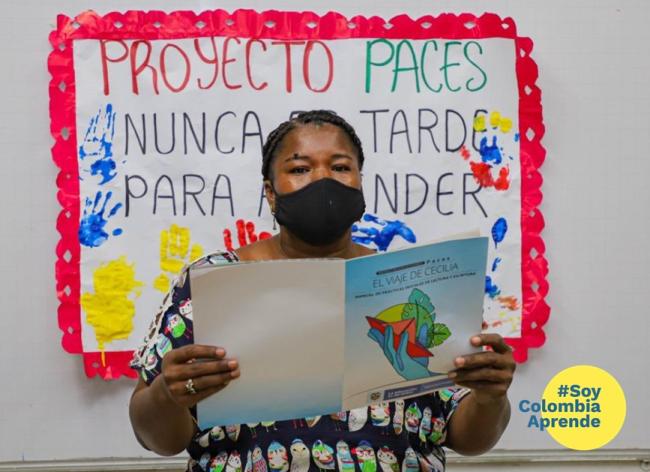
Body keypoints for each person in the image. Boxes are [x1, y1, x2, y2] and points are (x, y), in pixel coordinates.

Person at [129, 110, 516, 472]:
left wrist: (490, 396)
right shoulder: (212, 283)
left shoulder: (416, 285)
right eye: (300, 168)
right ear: (270, 191)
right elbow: (155, 438)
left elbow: (468, 439)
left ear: (360, 183)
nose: (322, 181)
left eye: (341, 167)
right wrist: (167, 394)